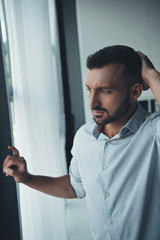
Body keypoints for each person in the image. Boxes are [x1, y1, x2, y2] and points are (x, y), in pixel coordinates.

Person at [3, 45, 160, 240]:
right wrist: (27, 178)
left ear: (134, 92)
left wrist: (151, 74)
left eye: (105, 91)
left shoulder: (154, 131)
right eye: (90, 90)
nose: (93, 102)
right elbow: (74, 187)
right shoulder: (84, 136)